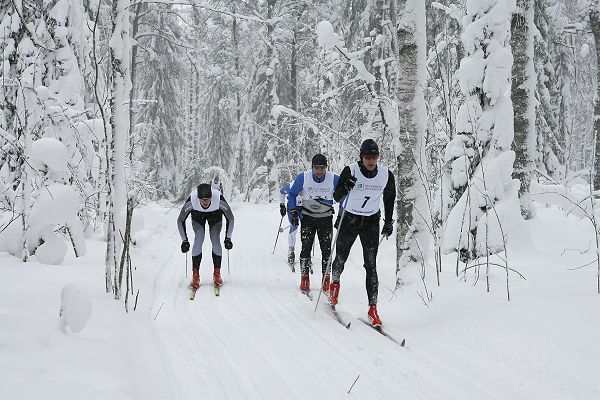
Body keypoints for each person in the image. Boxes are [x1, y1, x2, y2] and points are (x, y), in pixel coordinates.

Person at [328, 139, 396, 327]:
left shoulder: (385, 175)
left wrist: (388, 221)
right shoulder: (351, 170)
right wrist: (345, 187)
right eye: (367, 157)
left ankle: (372, 308)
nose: (371, 161)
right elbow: (336, 196)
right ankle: (334, 286)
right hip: (349, 219)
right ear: (361, 157)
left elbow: (390, 198)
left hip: (371, 222)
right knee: (341, 257)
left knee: (371, 264)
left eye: (374, 157)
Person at [287, 154, 340, 293]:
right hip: (308, 217)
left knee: (327, 250)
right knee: (306, 248)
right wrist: (293, 210)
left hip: (325, 218)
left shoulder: (333, 178)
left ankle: (326, 278)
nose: (319, 171)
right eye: (316, 168)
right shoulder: (303, 177)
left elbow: (345, 194)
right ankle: (304, 277)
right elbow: (291, 194)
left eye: (322, 168)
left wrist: (343, 213)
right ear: (312, 167)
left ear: (326, 167)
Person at [177, 183, 235, 290]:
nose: (205, 202)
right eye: (202, 199)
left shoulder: (218, 198)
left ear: (212, 196)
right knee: (199, 239)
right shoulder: (192, 200)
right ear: (198, 197)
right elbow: (180, 219)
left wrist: (228, 238)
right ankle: (195, 276)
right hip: (197, 215)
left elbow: (230, 218)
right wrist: (184, 240)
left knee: (215, 240)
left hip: (215, 215)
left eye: (207, 199)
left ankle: (217, 274)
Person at [279, 182, 302, 267]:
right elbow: (281, 192)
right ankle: (291, 251)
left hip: (305, 208)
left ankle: (306, 252)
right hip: (292, 208)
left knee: (307, 229)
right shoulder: (292, 185)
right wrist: (282, 205)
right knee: (294, 227)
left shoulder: (310, 182)